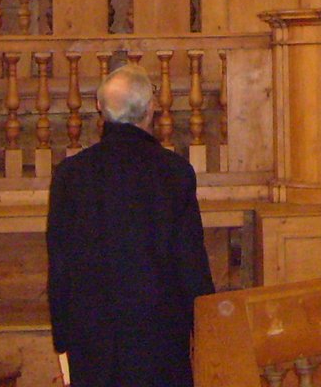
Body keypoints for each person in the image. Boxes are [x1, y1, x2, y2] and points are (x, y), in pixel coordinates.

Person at [46, 65, 214, 387]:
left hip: (92, 341)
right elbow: (190, 263)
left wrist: (63, 340)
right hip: (159, 339)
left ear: (100, 109)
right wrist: (204, 331)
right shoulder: (174, 172)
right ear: (151, 109)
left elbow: (61, 264)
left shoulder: (71, 174)